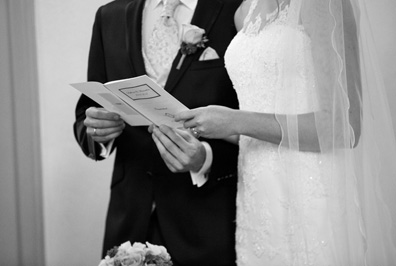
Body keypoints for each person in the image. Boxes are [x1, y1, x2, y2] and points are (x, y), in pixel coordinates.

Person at [175, 0, 396, 265]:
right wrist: (205, 124)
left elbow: (344, 127)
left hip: (311, 189)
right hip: (258, 197)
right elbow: (257, 121)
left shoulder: (323, 4)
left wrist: (234, 120)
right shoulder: (244, 11)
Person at [73, 0, 242, 265]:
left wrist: (205, 158)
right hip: (129, 220)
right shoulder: (109, 16)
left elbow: (252, 121)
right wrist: (97, 131)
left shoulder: (235, 9)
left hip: (207, 221)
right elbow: (87, 112)